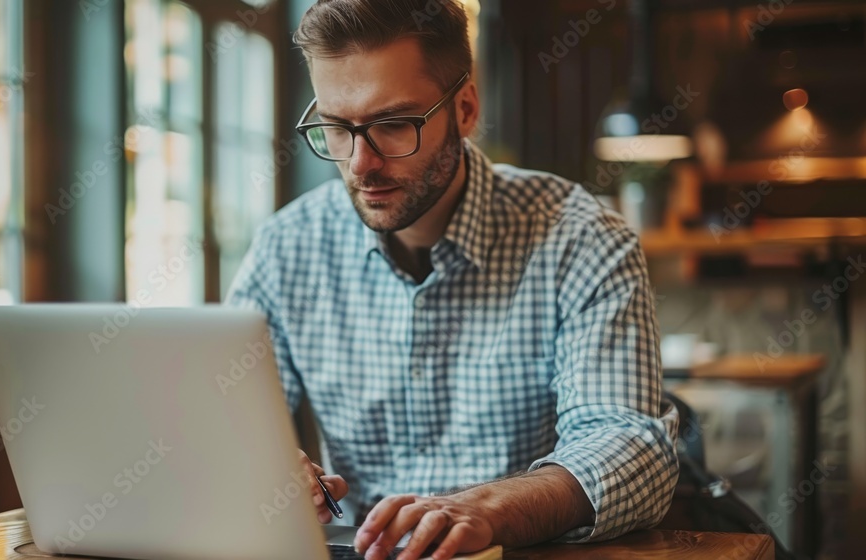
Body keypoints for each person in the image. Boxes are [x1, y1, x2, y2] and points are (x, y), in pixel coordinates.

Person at [226, 1, 679, 558]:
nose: (360, 164)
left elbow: (632, 449)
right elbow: (216, 422)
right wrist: (257, 467)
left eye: (394, 124)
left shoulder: (581, 239)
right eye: (337, 128)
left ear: (464, 110)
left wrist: (488, 509)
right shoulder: (286, 249)